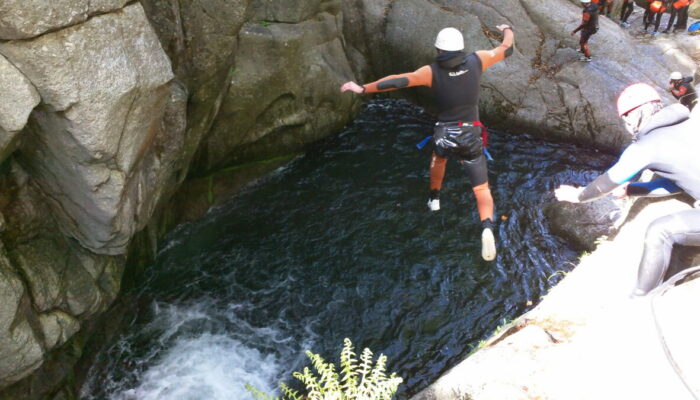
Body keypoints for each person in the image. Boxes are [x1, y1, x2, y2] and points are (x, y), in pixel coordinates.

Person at [340, 25, 515, 261]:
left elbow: (398, 81)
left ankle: (434, 199)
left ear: (438, 49)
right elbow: (507, 49)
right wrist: (508, 29)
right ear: (461, 48)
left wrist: (362, 88)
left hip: (444, 134)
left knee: (439, 159)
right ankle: (486, 226)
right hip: (471, 133)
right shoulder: (478, 60)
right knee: (481, 189)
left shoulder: (430, 71)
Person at [555, 83, 700, 296]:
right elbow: (678, 184)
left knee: (659, 232)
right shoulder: (688, 124)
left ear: (633, 118)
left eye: (626, 119)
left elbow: (606, 183)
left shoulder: (645, 147)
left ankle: (638, 300)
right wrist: (633, 189)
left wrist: (577, 196)